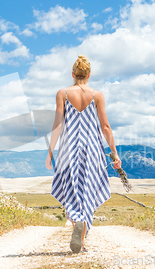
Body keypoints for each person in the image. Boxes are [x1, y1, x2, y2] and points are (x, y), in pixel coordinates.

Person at [45, 55, 122, 253]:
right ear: (89, 74)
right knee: (88, 188)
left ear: (73, 74)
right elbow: (105, 127)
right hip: (92, 150)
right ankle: (82, 234)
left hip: (68, 149)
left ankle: (77, 221)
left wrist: (50, 151)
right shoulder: (97, 95)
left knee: (71, 189)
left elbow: (58, 124)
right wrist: (114, 154)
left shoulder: (62, 93)